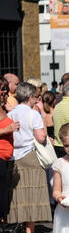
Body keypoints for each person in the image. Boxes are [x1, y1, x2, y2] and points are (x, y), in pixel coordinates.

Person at [7, 82, 52, 233]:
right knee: (33, 192)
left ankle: (17, 229)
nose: (37, 99)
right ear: (30, 97)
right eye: (35, 97)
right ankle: (30, 232)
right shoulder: (34, 114)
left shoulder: (10, 114)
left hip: (14, 155)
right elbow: (41, 137)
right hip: (30, 154)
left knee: (18, 193)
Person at [0, 76, 19, 224]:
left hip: (6, 158)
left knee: (4, 198)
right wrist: (7, 129)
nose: (4, 92)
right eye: (1, 89)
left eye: (5, 88)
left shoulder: (3, 107)